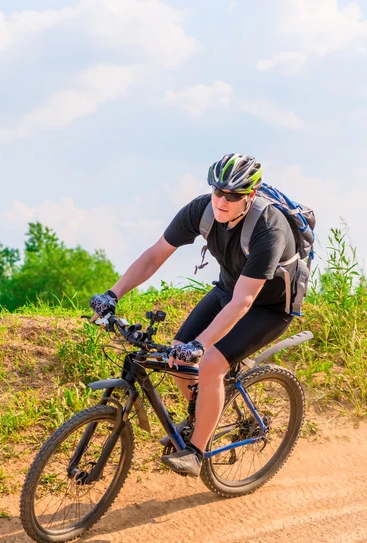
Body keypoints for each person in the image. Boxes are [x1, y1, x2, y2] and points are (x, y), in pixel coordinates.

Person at [90, 153, 298, 478]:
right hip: (227, 289)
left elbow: (244, 302)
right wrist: (112, 294)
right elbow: (155, 255)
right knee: (178, 354)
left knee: (211, 362)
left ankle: (197, 452)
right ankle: (203, 411)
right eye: (218, 191)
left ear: (251, 196)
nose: (223, 200)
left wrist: (202, 344)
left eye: (233, 195)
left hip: (269, 307)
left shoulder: (269, 229)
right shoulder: (200, 211)